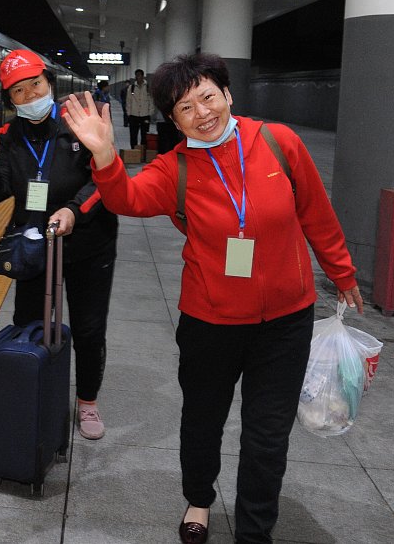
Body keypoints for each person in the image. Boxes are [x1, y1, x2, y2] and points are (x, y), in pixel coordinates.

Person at [61, 53, 364, 544]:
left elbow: (315, 212)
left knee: (267, 435)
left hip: (286, 320)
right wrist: (104, 156)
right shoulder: (174, 169)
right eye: (185, 107)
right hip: (210, 323)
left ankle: (255, 531)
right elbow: (125, 200)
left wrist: (341, 271)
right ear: (173, 119)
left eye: (208, 97)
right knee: (203, 420)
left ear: (227, 93)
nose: (202, 113)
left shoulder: (278, 142)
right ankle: (199, 498)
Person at [0, 49, 119, 440]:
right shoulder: (8, 137)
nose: (30, 96)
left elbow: (103, 180)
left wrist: (74, 211)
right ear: (10, 99)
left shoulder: (79, 122)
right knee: (29, 324)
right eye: (19, 91)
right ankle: (33, 389)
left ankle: (87, 401)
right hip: (34, 246)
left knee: (89, 329)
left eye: (36, 85)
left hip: (90, 243)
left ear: (50, 84)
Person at [125, 68, 155, 149]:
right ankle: (133, 150)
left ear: (142, 76)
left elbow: (151, 100)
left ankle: (143, 151)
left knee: (144, 135)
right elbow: (128, 101)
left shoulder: (148, 87)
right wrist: (128, 113)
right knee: (133, 134)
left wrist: (150, 112)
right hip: (133, 115)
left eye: (139, 75)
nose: (137, 77)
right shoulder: (131, 88)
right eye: (136, 75)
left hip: (145, 115)